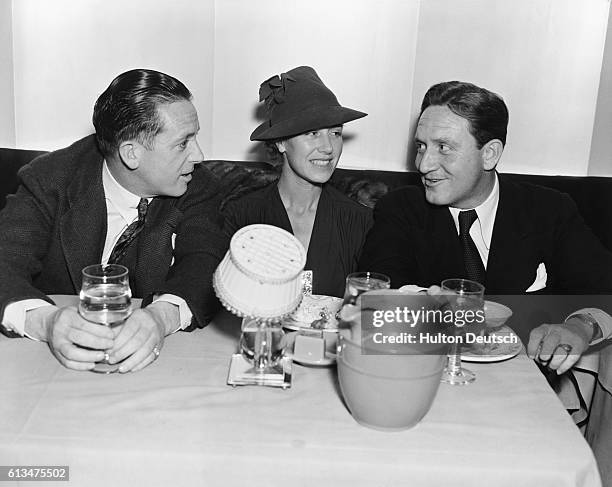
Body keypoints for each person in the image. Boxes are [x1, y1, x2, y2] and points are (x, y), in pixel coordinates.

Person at [359, 80, 612, 371]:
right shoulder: (400, 208)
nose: (424, 164)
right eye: (421, 146)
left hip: (529, 384)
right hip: (431, 378)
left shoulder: (549, 210)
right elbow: (375, 300)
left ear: (489, 154)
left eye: (443, 147)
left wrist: (582, 326)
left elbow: (604, 285)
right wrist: (426, 305)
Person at [0, 69, 227, 372]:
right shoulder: (49, 180)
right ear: (131, 154)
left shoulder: (200, 186)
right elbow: (4, 263)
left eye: (195, 137)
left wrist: (160, 318)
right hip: (47, 367)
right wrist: (47, 322)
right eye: (183, 143)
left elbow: (204, 264)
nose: (198, 155)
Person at [223, 66, 372, 298]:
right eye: (312, 133)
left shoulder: (359, 222)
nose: (328, 148)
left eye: (335, 133)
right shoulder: (242, 218)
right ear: (281, 143)